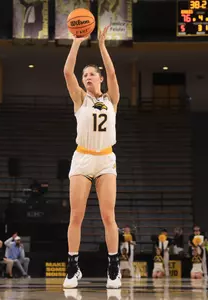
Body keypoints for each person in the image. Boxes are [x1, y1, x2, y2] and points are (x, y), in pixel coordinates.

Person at [62, 25, 121, 289]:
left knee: (109, 217)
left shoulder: (112, 100)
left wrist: (101, 45)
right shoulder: (79, 100)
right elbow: (66, 72)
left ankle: (113, 266)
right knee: (76, 216)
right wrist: (76, 42)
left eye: (90, 74)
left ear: (99, 79)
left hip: (106, 159)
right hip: (83, 159)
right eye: (84, 74)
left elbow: (112, 71)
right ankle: (73, 267)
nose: (86, 77)